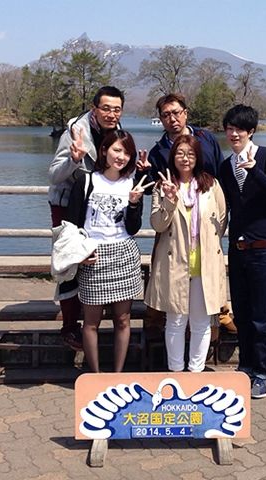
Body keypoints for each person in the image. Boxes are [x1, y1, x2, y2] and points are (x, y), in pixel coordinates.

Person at [135, 93, 233, 342]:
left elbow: (220, 173)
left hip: (205, 214)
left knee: (210, 269)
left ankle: (221, 312)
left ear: (185, 113)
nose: (172, 118)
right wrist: (142, 173)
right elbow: (149, 188)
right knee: (162, 266)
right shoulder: (158, 151)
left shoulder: (206, 139)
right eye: (166, 115)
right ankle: (155, 316)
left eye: (176, 112)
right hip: (172, 218)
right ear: (161, 119)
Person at [65, 130, 153, 373]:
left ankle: (117, 374)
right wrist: (80, 254)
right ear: (104, 151)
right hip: (93, 255)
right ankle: (95, 375)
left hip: (124, 254)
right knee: (91, 322)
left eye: (127, 153)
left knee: (123, 320)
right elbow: (71, 222)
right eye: (116, 150)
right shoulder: (86, 181)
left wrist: (134, 203)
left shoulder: (133, 184)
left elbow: (133, 228)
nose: (121, 157)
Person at [218, 104, 266, 399]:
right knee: (243, 314)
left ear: (251, 131)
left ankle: (262, 373)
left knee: (262, 317)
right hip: (238, 250)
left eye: (239, 129)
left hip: (263, 250)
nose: (234, 134)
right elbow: (222, 205)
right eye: (229, 129)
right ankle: (246, 367)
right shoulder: (225, 166)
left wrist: (255, 171)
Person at [48, 86, 126, 350]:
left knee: (94, 263)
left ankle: (92, 326)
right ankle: (70, 328)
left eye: (116, 109)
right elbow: (54, 175)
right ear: (95, 109)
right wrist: (73, 160)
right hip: (66, 205)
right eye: (106, 108)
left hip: (94, 207)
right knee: (70, 263)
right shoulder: (75, 132)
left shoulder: (116, 131)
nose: (111, 114)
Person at [145, 135, 227, 372]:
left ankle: (196, 371)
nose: (185, 158)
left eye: (190, 154)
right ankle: (176, 371)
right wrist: (170, 201)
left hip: (204, 262)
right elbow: (158, 225)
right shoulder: (162, 186)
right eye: (180, 153)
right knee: (176, 320)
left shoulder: (211, 185)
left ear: (198, 157)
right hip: (175, 262)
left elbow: (221, 221)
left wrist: (208, 244)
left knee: (201, 322)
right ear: (173, 157)